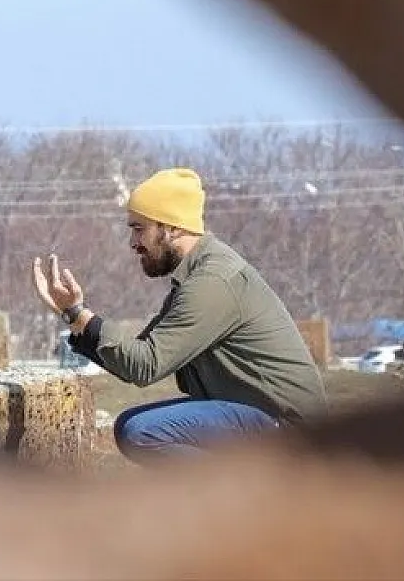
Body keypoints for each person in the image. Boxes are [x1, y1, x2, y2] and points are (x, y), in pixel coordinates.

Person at [32, 167, 327, 461]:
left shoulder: (213, 282)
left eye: (139, 229)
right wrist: (73, 316)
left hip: (290, 430)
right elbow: (133, 361)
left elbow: (145, 365)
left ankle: (250, 501)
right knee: (129, 424)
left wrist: (80, 314)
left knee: (142, 432)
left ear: (171, 228)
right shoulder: (197, 277)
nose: (133, 243)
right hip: (259, 416)